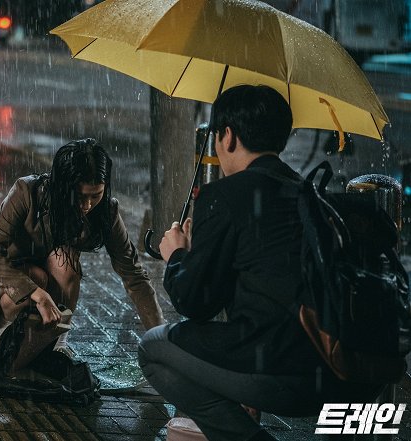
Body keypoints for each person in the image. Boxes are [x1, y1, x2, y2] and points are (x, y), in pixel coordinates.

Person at [137, 85, 383, 441]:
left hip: (286, 375)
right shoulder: (306, 191)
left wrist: (177, 254)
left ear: (228, 136)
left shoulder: (224, 196)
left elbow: (195, 302)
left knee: (153, 349)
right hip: (347, 370)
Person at [0, 138, 164, 357]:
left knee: (65, 260)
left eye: (96, 196)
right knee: (38, 277)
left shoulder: (107, 211)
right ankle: (9, 339)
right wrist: (37, 293)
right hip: (2, 280)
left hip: (47, 277)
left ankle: (56, 344)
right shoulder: (27, 191)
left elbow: (134, 275)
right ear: (63, 187)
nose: (88, 205)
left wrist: (161, 338)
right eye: (80, 196)